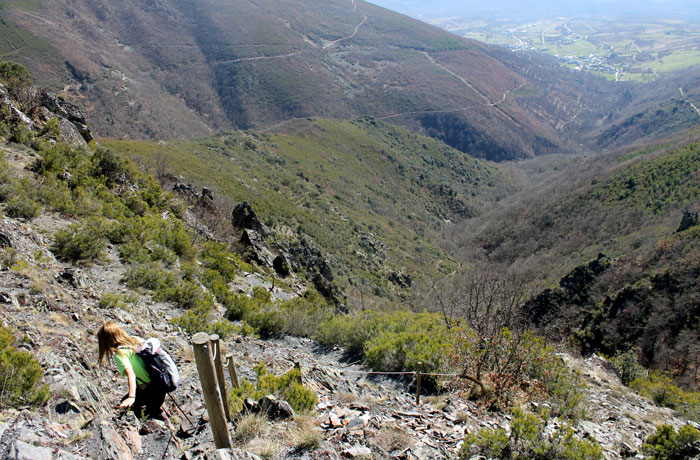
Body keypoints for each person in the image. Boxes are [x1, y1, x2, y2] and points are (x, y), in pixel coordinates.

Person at [97, 321, 166, 420]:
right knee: (154, 412)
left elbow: (131, 374)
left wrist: (131, 396)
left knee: (128, 406)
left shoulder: (120, 353)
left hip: (150, 389)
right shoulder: (135, 341)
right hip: (160, 385)